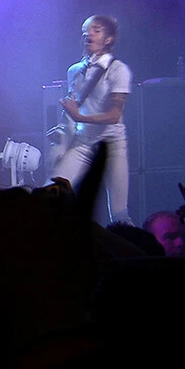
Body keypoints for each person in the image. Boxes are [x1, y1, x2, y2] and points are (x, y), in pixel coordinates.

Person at [48, 14, 133, 224]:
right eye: (87, 30)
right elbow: (73, 108)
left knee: (119, 213)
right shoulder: (75, 71)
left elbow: (114, 115)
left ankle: (131, 243)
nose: (89, 34)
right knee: (50, 192)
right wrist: (63, 134)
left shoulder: (118, 70)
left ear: (109, 39)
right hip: (83, 142)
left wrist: (80, 117)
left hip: (111, 145)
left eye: (97, 30)